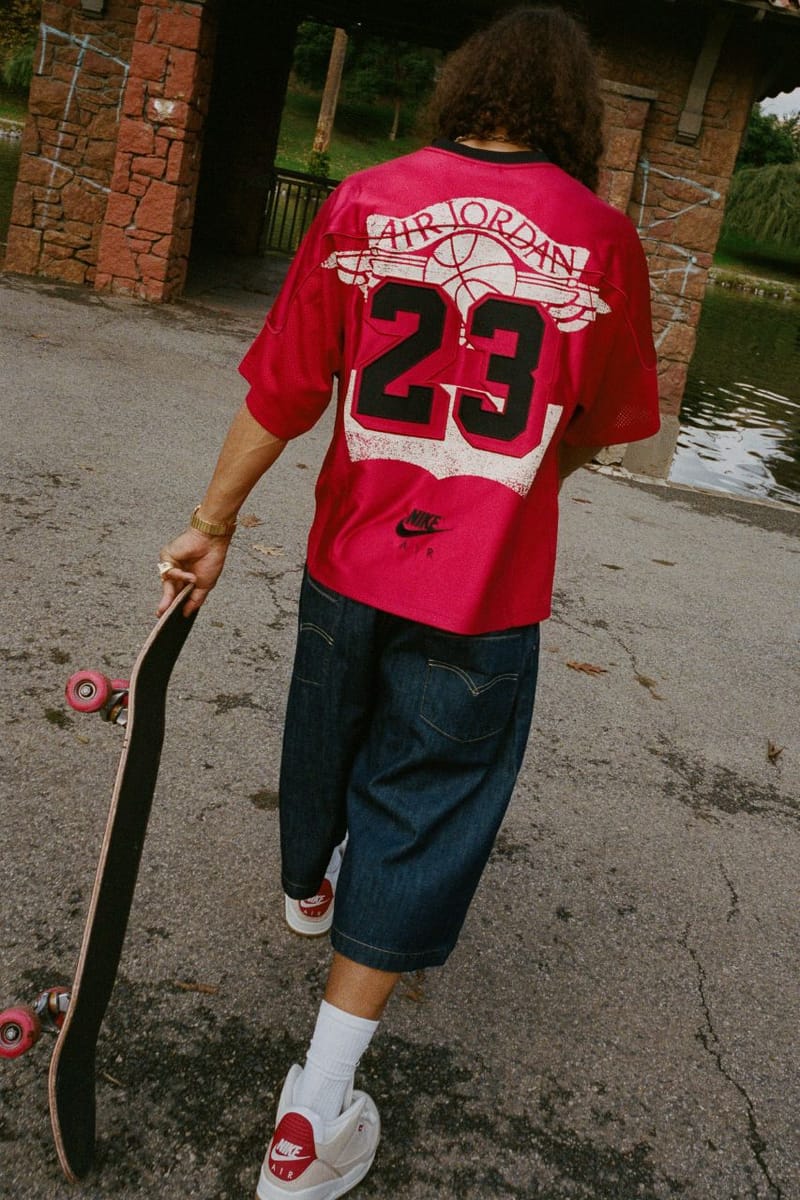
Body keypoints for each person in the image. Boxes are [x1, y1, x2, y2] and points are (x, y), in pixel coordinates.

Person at [157, 7, 660, 1197]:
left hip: (346, 562)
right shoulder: (600, 239)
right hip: (482, 593)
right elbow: (595, 425)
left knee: (323, 730)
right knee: (424, 804)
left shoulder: (363, 201)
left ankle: (303, 887)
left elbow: (283, 391)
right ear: (572, 112)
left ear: (464, 87)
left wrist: (211, 524)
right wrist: (520, 477)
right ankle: (310, 1118)